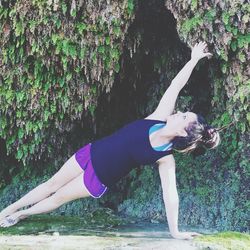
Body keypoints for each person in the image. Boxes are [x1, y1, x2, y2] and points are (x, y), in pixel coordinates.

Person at [0, 41, 220, 240]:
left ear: (183, 132)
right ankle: (8, 209)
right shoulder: (158, 117)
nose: (179, 112)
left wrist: (175, 231)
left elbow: (170, 195)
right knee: (51, 184)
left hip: (99, 176)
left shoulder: (165, 157)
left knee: (58, 198)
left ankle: (21, 214)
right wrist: (193, 60)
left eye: (183, 117)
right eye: (183, 112)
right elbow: (175, 85)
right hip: (91, 152)